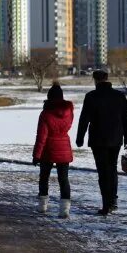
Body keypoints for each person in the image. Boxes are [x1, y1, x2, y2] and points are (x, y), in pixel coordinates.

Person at [75, 70, 127, 216]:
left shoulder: (91, 96)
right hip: (115, 139)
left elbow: (84, 119)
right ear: (107, 79)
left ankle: (106, 204)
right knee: (112, 170)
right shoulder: (119, 96)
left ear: (95, 80)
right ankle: (112, 200)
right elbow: (126, 118)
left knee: (103, 171)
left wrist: (80, 137)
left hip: (98, 139)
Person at [32, 84, 74, 218]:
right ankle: (65, 210)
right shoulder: (69, 112)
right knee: (64, 179)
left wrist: (36, 155)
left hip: (48, 149)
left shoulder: (45, 113)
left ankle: (42, 206)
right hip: (64, 147)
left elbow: (41, 136)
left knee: (44, 177)